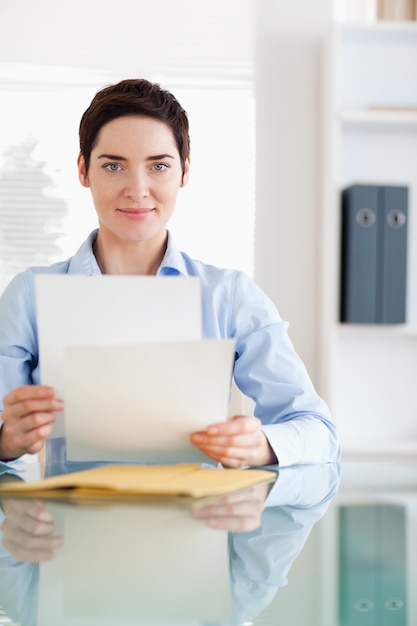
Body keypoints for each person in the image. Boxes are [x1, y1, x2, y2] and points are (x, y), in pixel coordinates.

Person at [0, 78, 340, 468]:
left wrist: (260, 443)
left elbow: (318, 430)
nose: (137, 189)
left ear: (184, 172)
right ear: (83, 170)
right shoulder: (30, 295)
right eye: (114, 165)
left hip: (195, 519)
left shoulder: (228, 297)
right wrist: (7, 439)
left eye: (158, 166)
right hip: (71, 518)